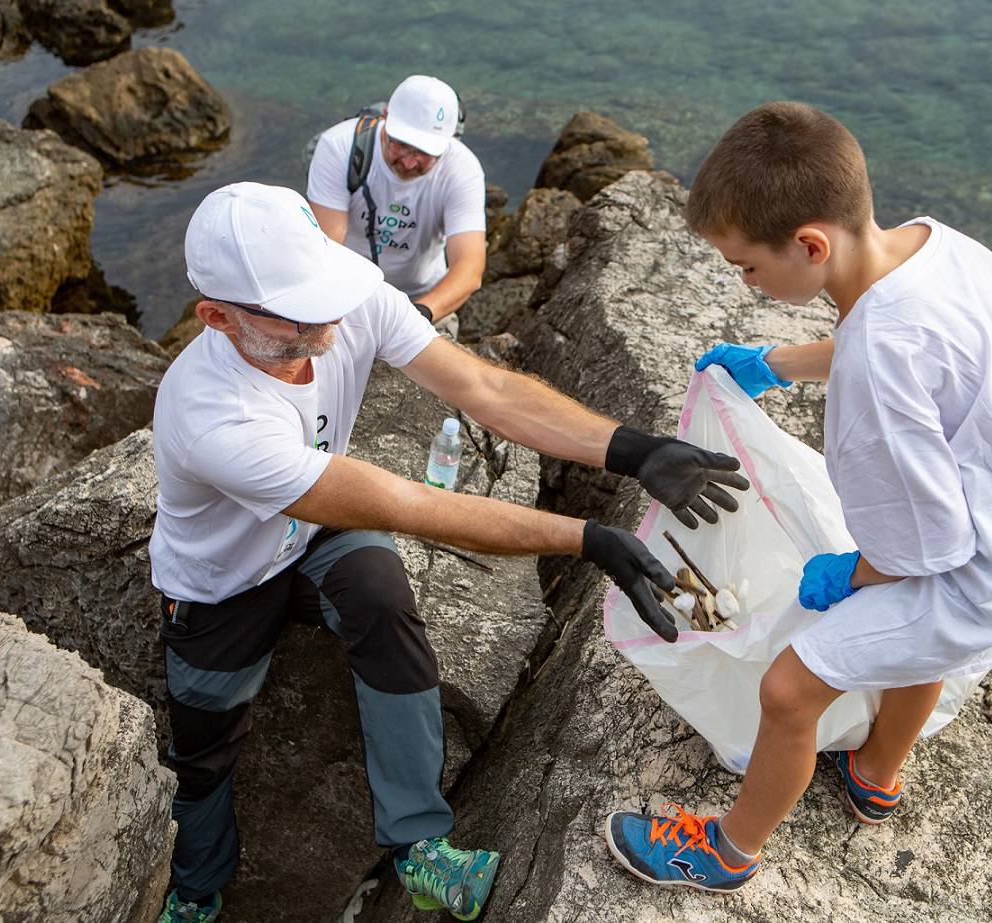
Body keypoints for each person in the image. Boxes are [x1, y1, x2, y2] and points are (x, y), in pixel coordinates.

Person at [150, 181, 747, 922]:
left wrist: (633, 449)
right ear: (216, 316)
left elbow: (482, 387)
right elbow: (413, 506)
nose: (326, 319)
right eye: (297, 310)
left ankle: (421, 848)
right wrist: (583, 536)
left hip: (311, 541)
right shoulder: (213, 416)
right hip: (219, 583)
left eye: (323, 291)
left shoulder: (346, 299)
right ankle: (196, 890)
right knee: (205, 751)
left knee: (381, 597)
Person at [603, 102, 992, 892]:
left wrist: (850, 571)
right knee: (907, 641)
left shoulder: (874, 376)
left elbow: (923, 552)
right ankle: (873, 770)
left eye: (746, 268)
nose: (745, 283)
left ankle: (725, 853)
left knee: (790, 687)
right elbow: (897, 339)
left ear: (809, 245)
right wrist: (775, 360)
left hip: (981, 570)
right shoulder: (941, 246)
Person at [306, 74, 485, 333]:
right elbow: (326, 246)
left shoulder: (463, 171)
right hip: (347, 292)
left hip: (422, 297)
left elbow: (469, 268)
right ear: (386, 117)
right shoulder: (340, 146)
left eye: (425, 152)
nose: (410, 162)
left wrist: (418, 316)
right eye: (402, 145)